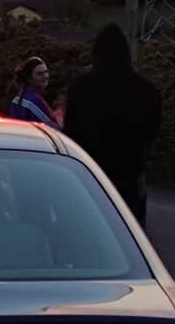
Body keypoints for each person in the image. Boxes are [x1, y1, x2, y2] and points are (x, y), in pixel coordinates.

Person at [62, 23, 161, 225]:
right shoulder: (147, 90)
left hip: (90, 177)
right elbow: (153, 132)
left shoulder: (81, 87)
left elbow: (70, 132)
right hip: (130, 176)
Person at [6, 56, 61, 127]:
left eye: (46, 72)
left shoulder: (17, 98)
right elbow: (52, 128)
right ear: (29, 79)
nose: (45, 76)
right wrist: (60, 118)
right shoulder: (32, 101)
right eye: (39, 74)